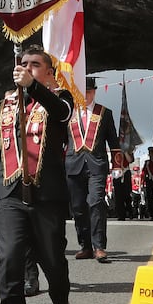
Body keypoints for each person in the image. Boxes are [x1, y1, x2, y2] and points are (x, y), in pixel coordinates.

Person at [0, 44, 76, 304]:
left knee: (53, 264)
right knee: (9, 260)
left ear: (49, 72)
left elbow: (62, 114)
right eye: (24, 63)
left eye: (36, 64)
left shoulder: (60, 99)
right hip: (9, 196)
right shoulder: (6, 105)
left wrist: (32, 87)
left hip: (46, 198)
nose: (28, 67)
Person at [65, 76, 120, 264]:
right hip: (73, 165)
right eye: (82, 92)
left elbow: (114, 141)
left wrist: (117, 165)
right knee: (78, 207)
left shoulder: (105, 113)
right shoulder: (69, 113)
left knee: (95, 203)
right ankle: (85, 246)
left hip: (97, 165)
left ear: (94, 92)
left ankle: (99, 247)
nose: (85, 96)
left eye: (88, 92)